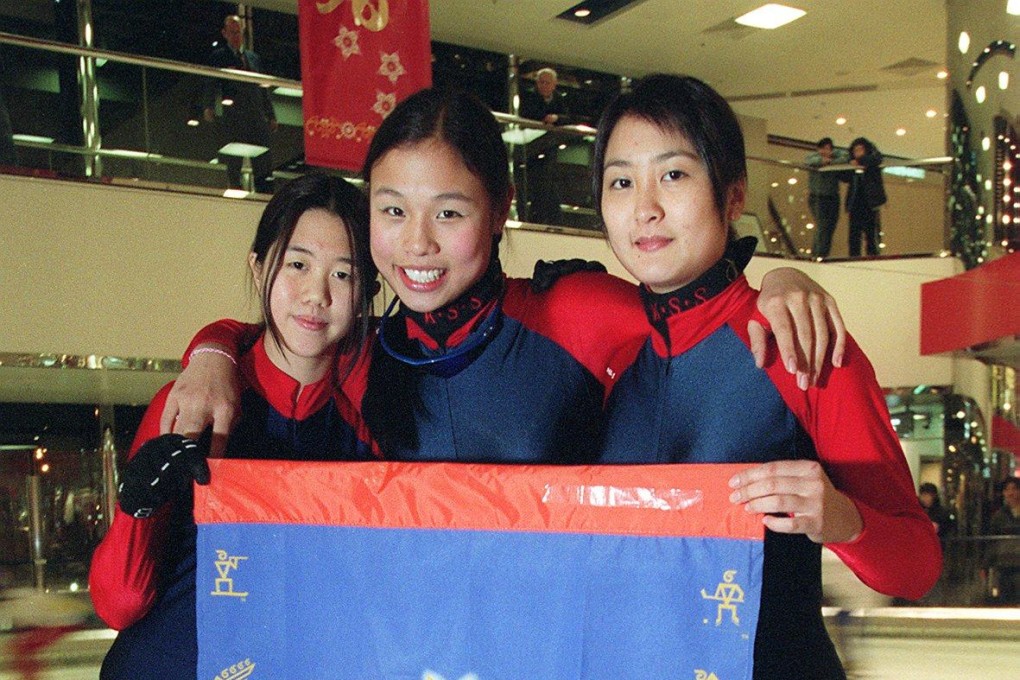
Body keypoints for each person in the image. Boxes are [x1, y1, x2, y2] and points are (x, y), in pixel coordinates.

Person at [164, 87, 848, 464]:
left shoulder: (574, 309)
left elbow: (700, 320)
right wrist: (212, 350)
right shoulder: (367, 351)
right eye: (392, 210)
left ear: (499, 213)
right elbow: (271, 339)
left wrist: (783, 279)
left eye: (450, 213)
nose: (417, 244)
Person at [591, 74, 941, 679]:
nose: (645, 206)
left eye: (674, 174)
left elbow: (917, 566)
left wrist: (840, 518)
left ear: (732, 195)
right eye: (621, 181)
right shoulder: (606, 353)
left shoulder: (800, 344)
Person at [88, 173, 378, 679]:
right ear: (259, 266)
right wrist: (137, 507)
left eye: (343, 275)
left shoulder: (364, 434)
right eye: (297, 265)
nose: (316, 295)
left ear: (365, 291)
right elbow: (119, 605)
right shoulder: (194, 402)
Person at [203, 14, 277, 194]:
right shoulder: (219, 57)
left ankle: (265, 193)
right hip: (234, 116)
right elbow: (211, 83)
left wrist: (271, 114)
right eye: (233, 33)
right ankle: (235, 189)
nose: (236, 36)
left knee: (263, 159)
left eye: (239, 33)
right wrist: (208, 105)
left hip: (256, 115)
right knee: (233, 161)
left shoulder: (253, 58)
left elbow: (262, 88)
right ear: (225, 33)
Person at [518, 67, 570, 224]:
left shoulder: (559, 99)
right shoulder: (529, 96)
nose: (544, 85)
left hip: (551, 147)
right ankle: (533, 219)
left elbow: (568, 118)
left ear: (554, 84)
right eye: (541, 82)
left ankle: (553, 220)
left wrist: (556, 118)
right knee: (534, 184)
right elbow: (525, 115)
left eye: (547, 82)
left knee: (549, 184)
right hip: (532, 147)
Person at [842, 136, 886, 257]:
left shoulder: (872, 160)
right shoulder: (851, 164)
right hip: (855, 203)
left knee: (871, 234)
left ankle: (873, 257)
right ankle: (853, 259)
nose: (858, 153)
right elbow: (843, 176)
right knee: (854, 236)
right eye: (856, 150)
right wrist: (851, 165)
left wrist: (860, 161)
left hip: (870, 203)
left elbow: (877, 159)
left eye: (861, 149)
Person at [805, 137, 848, 258]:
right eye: (823, 148)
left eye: (829, 149)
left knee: (831, 227)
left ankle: (824, 254)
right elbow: (809, 161)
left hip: (833, 197)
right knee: (822, 225)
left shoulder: (834, 158)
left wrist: (829, 160)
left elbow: (845, 156)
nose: (826, 151)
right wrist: (823, 160)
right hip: (817, 197)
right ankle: (816, 253)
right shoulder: (812, 157)